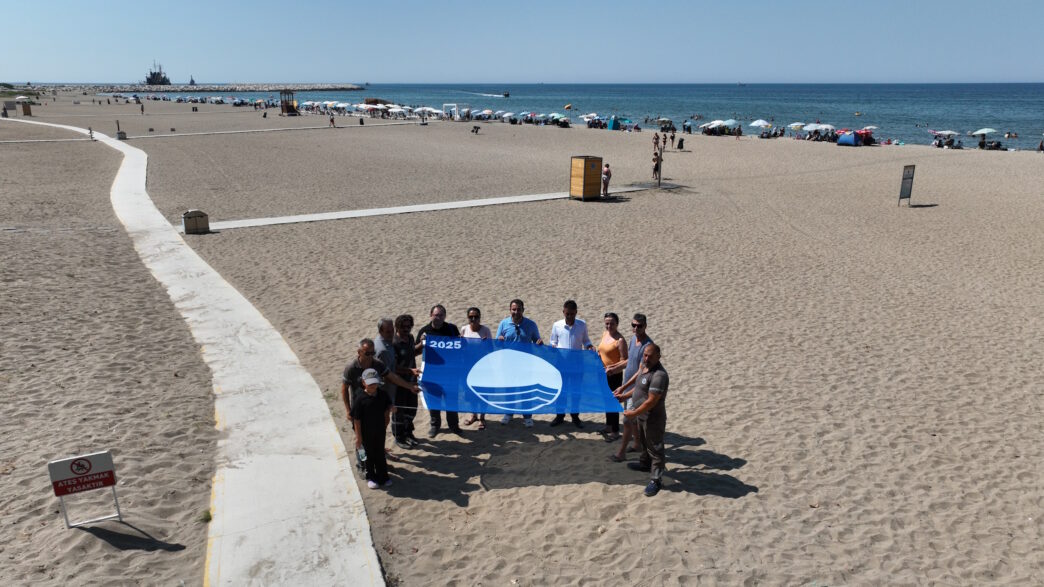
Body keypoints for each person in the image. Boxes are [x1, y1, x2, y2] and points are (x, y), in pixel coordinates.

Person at [342, 338, 419, 460]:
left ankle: (380, 453)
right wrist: (348, 410)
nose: (370, 356)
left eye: (373, 353)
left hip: (376, 407)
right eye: (367, 353)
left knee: (378, 433)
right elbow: (344, 389)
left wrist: (410, 386)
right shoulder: (351, 368)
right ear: (359, 352)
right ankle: (362, 462)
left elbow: (392, 376)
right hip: (360, 409)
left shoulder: (377, 364)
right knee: (360, 437)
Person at [621, 343, 669, 497]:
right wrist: (624, 396)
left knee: (655, 448)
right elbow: (639, 388)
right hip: (641, 415)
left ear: (658, 357)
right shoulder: (644, 367)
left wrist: (634, 412)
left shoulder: (659, 375)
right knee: (643, 442)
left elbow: (651, 401)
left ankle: (656, 480)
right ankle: (645, 464)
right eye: (645, 355)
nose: (646, 358)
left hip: (653, 418)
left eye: (650, 356)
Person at [609, 313, 652, 462]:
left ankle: (621, 453)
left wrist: (623, 387)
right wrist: (615, 367)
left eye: (639, 326)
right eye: (633, 325)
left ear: (645, 326)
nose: (636, 328)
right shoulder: (634, 339)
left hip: (637, 389)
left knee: (627, 420)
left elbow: (641, 371)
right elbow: (629, 361)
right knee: (633, 421)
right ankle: (638, 444)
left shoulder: (647, 346)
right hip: (628, 386)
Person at [415, 304, 462, 436]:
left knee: (451, 399)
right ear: (431, 316)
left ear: (445, 316)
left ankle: (454, 425)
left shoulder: (452, 329)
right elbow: (415, 351)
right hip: (432, 373)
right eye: (436, 315)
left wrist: (462, 341)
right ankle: (435, 426)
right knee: (434, 400)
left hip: (450, 372)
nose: (438, 318)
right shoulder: (425, 331)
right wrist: (421, 343)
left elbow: (459, 347)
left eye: (441, 315)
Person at [496, 298, 543, 427]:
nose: (516, 312)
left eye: (519, 309)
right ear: (510, 310)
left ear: (523, 310)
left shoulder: (531, 324)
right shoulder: (503, 324)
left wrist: (539, 342)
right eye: (514, 309)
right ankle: (508, 414)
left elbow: (537, 341)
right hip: (508, 364)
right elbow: (497, 343)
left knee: (526, 391)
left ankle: (527, 417)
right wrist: (499, 340)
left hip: (525, 364)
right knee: (509, 390)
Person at [548, 300, 594, 428]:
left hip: (577, 364)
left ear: (576, 312)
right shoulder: (557, 325)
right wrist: (553, 347)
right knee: (561, 391)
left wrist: (590, 346)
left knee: (575, 391)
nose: (569, 316)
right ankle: (559, 416)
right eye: (567, 314)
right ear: (563, 312)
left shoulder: (582, 325)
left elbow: (586, 340)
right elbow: (553, 341)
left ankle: (575, 416)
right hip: (561, 364)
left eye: (572, 314)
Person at [351, 368, 394, 489]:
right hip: (365, 433)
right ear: (363, 382)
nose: (373, 386)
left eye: (375, 383)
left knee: (380, 453)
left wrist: (391, 407)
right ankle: (371, 477)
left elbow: (388, 404)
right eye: (370, 383)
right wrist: (358, 437)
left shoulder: (382, 394)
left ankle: (383, 476)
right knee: (368, 455)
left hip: (380, 430)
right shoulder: (360, 399)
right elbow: (356, 420)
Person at [460, 307, 492, 429]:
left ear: (479, 317)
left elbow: (491, 350)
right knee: (470, 393)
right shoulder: (464, 329)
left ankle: (482, 418)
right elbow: (461, 348)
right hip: (468, 367)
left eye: (476, 316)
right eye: (471, 317)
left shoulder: (485, 330)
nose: (473, 319)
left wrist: (486, 344)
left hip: (483, 367)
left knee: (483, 393)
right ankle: (473, 415)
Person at [597, 312, 628, 441]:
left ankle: (615, 431)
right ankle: (608, 426)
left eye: (612, 323)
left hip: (614, 375)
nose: (609, 326)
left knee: (613, 401)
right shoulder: (605, 334)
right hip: (603, 373)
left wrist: (613, 368)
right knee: (606, 400)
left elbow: (624, 360)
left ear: (617, 324)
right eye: (607, 323)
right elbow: (601, 351)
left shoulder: (620, 340)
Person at [392, 314, 420, 449]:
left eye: (409, 326)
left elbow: (412, 353)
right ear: (397, 327)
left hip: (412, 381)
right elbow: (393, 367)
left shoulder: (410, 338)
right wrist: (410, 371)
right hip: (399, 383)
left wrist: (423, 344)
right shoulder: (393, 343)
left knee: (411, 409)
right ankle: (399, 437)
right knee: (399, 412)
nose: (407, 329)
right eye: (403, 327)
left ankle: (408, 433)